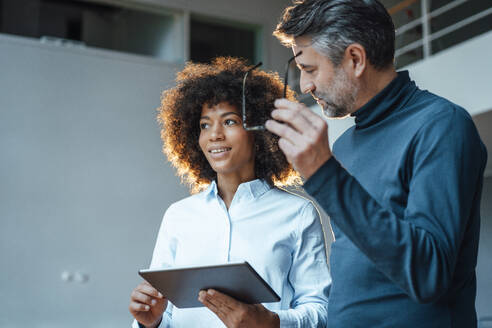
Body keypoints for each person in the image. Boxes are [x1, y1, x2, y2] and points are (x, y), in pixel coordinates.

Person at [265, 0, 488, 327]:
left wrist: (324, 174)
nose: (304, 86)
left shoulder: (442, 125)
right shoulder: (343, 145)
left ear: (355, 59)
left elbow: (428, 275)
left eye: (310, 69)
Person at [129, 57, 331, 328]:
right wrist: (149, 322)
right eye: (204, 125)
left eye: (230, 121)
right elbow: (166, 315)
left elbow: (320, 311)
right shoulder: (178, 216)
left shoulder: (298, 214)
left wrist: (271, 323)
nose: (214, 135)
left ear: (259, 132)